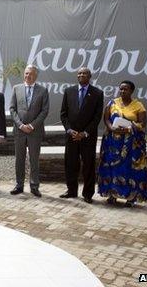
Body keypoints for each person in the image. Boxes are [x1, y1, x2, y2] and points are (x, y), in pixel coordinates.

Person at [98, 81, 147, 207]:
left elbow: (142, 124)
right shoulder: (112, 103)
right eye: (121, 89)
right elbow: (106, 119)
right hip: (112, 144)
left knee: (129, 170)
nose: (122, 91)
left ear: (131, 91)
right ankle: (112, 194)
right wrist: (112, 128)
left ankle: (130, 197)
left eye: (125, 89)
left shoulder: (138, 106)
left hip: (131, 145)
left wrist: (129, 128)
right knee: (112, 168)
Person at [60, 67, 104, 204]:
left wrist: (84, 133)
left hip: (87, 137)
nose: (81, 75)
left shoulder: (97, 93)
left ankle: (88, 194)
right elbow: (63, 114)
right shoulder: (68, 91)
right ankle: (71, 191)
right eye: (79, 73)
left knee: (88, 166)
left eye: (84, 73)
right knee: (70, 164)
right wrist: (69, 130)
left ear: (90, 76)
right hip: (71, 136)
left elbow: (97, 117)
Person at [9, 65, 49, 197]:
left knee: (34, 160)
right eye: (26, 73)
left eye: (31, 74)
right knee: (19, 159)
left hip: (35, 132)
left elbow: (44, 111)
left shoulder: (43, 91)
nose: (28, 76)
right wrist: (20, 125)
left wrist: (32, 125)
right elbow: (12, 109)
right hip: (19, 131)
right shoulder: (16, 88)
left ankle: (34, 186)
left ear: (36, 75)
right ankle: (19, 185)